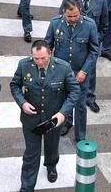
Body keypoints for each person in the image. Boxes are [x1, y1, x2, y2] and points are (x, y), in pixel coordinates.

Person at [9, 40, 80, 191]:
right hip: (31, 119)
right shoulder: (23, 65)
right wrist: (22, 103)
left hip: (53, 118)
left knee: (52, 146)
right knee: (31, 153)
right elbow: (14, 85)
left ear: (50, 53)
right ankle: (27, 187)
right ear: (32, 55)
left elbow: (74, 91)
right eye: (36, 58)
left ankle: (51, 165)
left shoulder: (63, 67)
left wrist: (63, 113)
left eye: (43, 58)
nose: (39, 62)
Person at [46, 0, 99, 141]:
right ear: (63, 12)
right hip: (61, 72)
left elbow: (94, 51)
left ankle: (80, 135)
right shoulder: (55, 23)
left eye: (75, 15)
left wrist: (84, 71)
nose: (73, 18)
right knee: (63, 100)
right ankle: (66, 123)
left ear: (80, 11)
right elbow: (47, 47)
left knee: (80, 104)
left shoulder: (90, 25)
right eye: (69, 16)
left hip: (80, 71)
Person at [60, 0, 108, 113]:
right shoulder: (69, 0)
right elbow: (61, 21)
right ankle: (68, 106)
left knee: (90, 73)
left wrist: (95, 40)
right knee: (69, 75)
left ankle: (90, 98)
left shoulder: (101, 0)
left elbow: (104, 25)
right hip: (73, 43)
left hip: (90, 45)